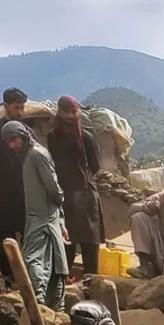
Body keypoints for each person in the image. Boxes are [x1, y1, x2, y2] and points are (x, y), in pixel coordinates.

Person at [3, 120, 68, 310]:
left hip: (43, 219)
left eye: (14, 140)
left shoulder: (37, 154)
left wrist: (58, 215)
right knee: (50, 262)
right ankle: (50, 306)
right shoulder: (28, 156)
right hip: (40, 217)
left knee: (34, 260)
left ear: (23, 136)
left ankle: (41, 304)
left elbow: (53, 188)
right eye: (8, 142)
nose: (12, 145)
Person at [47, 95, 104, 275]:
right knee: (66, 242)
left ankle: (91, 284)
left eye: (73, 111)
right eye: (66, 111)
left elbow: (94, 166)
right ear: (59, 112)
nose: (70, 116)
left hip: (85, 196)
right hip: (64, 197)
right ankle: (62, 285)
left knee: (89, 244)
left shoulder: (86, 137)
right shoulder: (52, 137)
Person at [0, 87, 30, 278]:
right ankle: (7, 276)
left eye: (22, 107)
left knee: (28, 234)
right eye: (17, 107)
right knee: (4, 234)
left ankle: (27, 275)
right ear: (6, 106)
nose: (20, 112)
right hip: (1, 191)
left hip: (24, 191)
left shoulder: (27, 132)